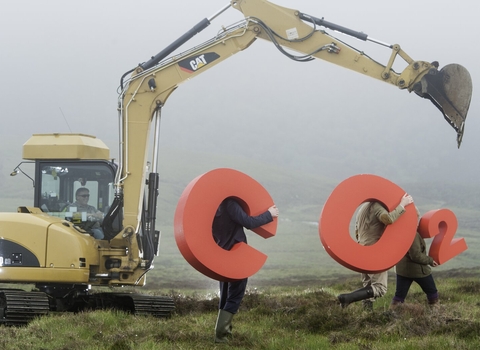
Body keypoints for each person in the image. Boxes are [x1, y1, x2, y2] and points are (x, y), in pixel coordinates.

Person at [212, 197, 279, 343]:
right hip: (236, 256)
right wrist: (269, 214)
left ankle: (223, 332)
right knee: (235, 294)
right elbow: (248, 222)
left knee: (225, 294)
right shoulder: (230, 204)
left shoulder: (213, 208)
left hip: (222, 256)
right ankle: (221, 335)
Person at [337, 193, 414, 310]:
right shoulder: (376, 206)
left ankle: (367, 315)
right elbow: (388, 219)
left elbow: (356, 231)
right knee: (380, 287)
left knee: (368, 285)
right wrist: (402, 205)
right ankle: (347, 298)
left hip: (361, 248)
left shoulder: (363, 208)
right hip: (374, 250)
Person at [390, 230, 439, 309]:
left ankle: (391, 315)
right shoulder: (413, 234)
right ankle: (435, 315)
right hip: (417, 271)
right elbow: (415, 255)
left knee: (399, 297)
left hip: (401, 270)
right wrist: (430, 260)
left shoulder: (399, 231)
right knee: (432, 293)